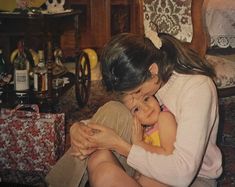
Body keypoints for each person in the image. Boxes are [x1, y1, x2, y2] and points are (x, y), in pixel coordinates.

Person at [46, 32, 222, 187]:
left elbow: (183, 174)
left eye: (138, 92)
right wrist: (79, 127)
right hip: (145, 160)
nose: (138, 99)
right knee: (102, 145)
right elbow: (113, 115)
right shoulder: (146, 81)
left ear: (153, 70)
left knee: (103, 171)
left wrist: (119, 145)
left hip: (189, 177)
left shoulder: (197, 88)